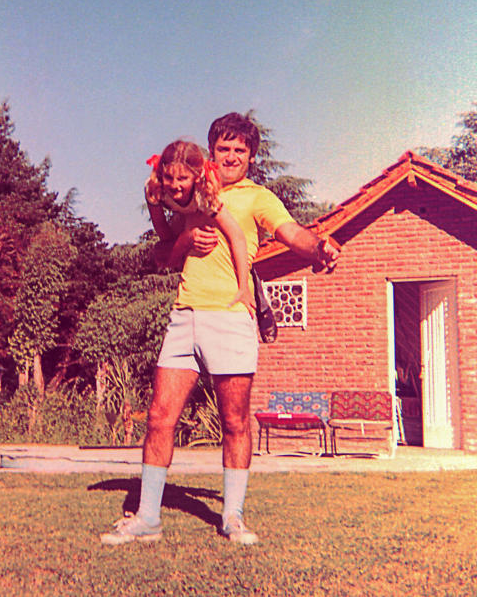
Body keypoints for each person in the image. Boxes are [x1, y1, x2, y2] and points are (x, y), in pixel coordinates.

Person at [100, 112, 340, 546]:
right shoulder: (189, 188)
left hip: (231, 318)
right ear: (211, 151)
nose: (231, 157)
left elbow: (292, 235)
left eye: (240, 151)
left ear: (250, 157)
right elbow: (162, 258)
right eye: (224, 148)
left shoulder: (258, 198)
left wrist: (319, 248)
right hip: (184, 315)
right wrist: (185, 242)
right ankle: (148, 517)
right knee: (158, 417)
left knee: (234, 422)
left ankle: (233, 518)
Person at [143, 140, 254, 316]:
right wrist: (181, 246)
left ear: (195, 176)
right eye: (169, 177)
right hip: (181, 212)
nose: (175, 185)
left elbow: (237, 235)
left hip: (202, 204)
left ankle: (254, 280)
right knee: (162, 253)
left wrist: (243, 288)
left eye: (182, 178)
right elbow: (163, 231)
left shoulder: (205, 194)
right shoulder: (155, 188)